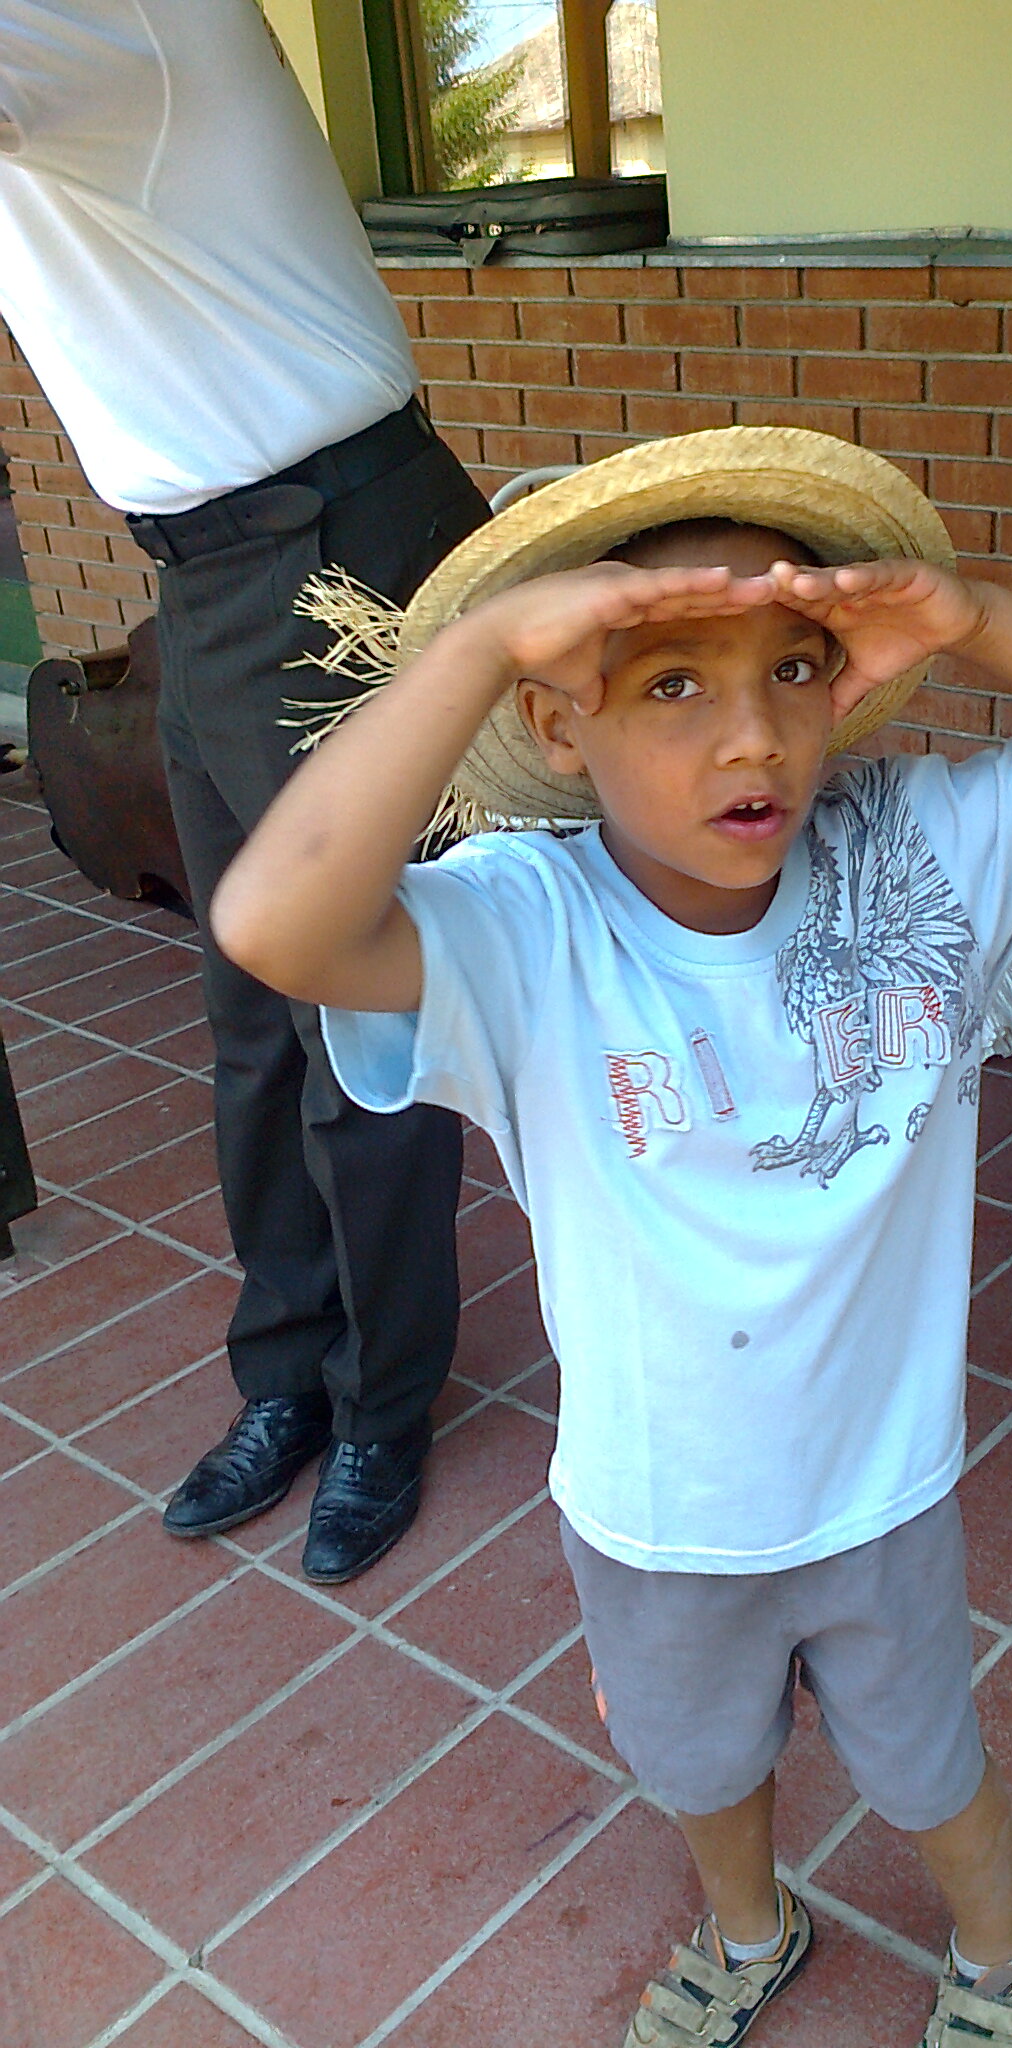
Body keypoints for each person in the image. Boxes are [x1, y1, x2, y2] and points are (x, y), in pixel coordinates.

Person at [209, 427, 1012, 2046]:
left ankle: (995, 1947)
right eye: (672, 683)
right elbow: (275, 923)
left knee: (927, 1765)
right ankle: (753, 1931)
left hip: (880, 1485)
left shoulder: (916, 851)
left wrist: (971, 618)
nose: (753, 734)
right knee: (698, 1766)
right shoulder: (527, 925)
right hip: (658, 1508)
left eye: (794, 671)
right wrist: (473, 648)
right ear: (559, 721)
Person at [0, 0, 490, 1580]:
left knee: (355, 1019)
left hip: (331, 545)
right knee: (251, 1018)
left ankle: (383, 1402)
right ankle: (289, 1373)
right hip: (214, 569)